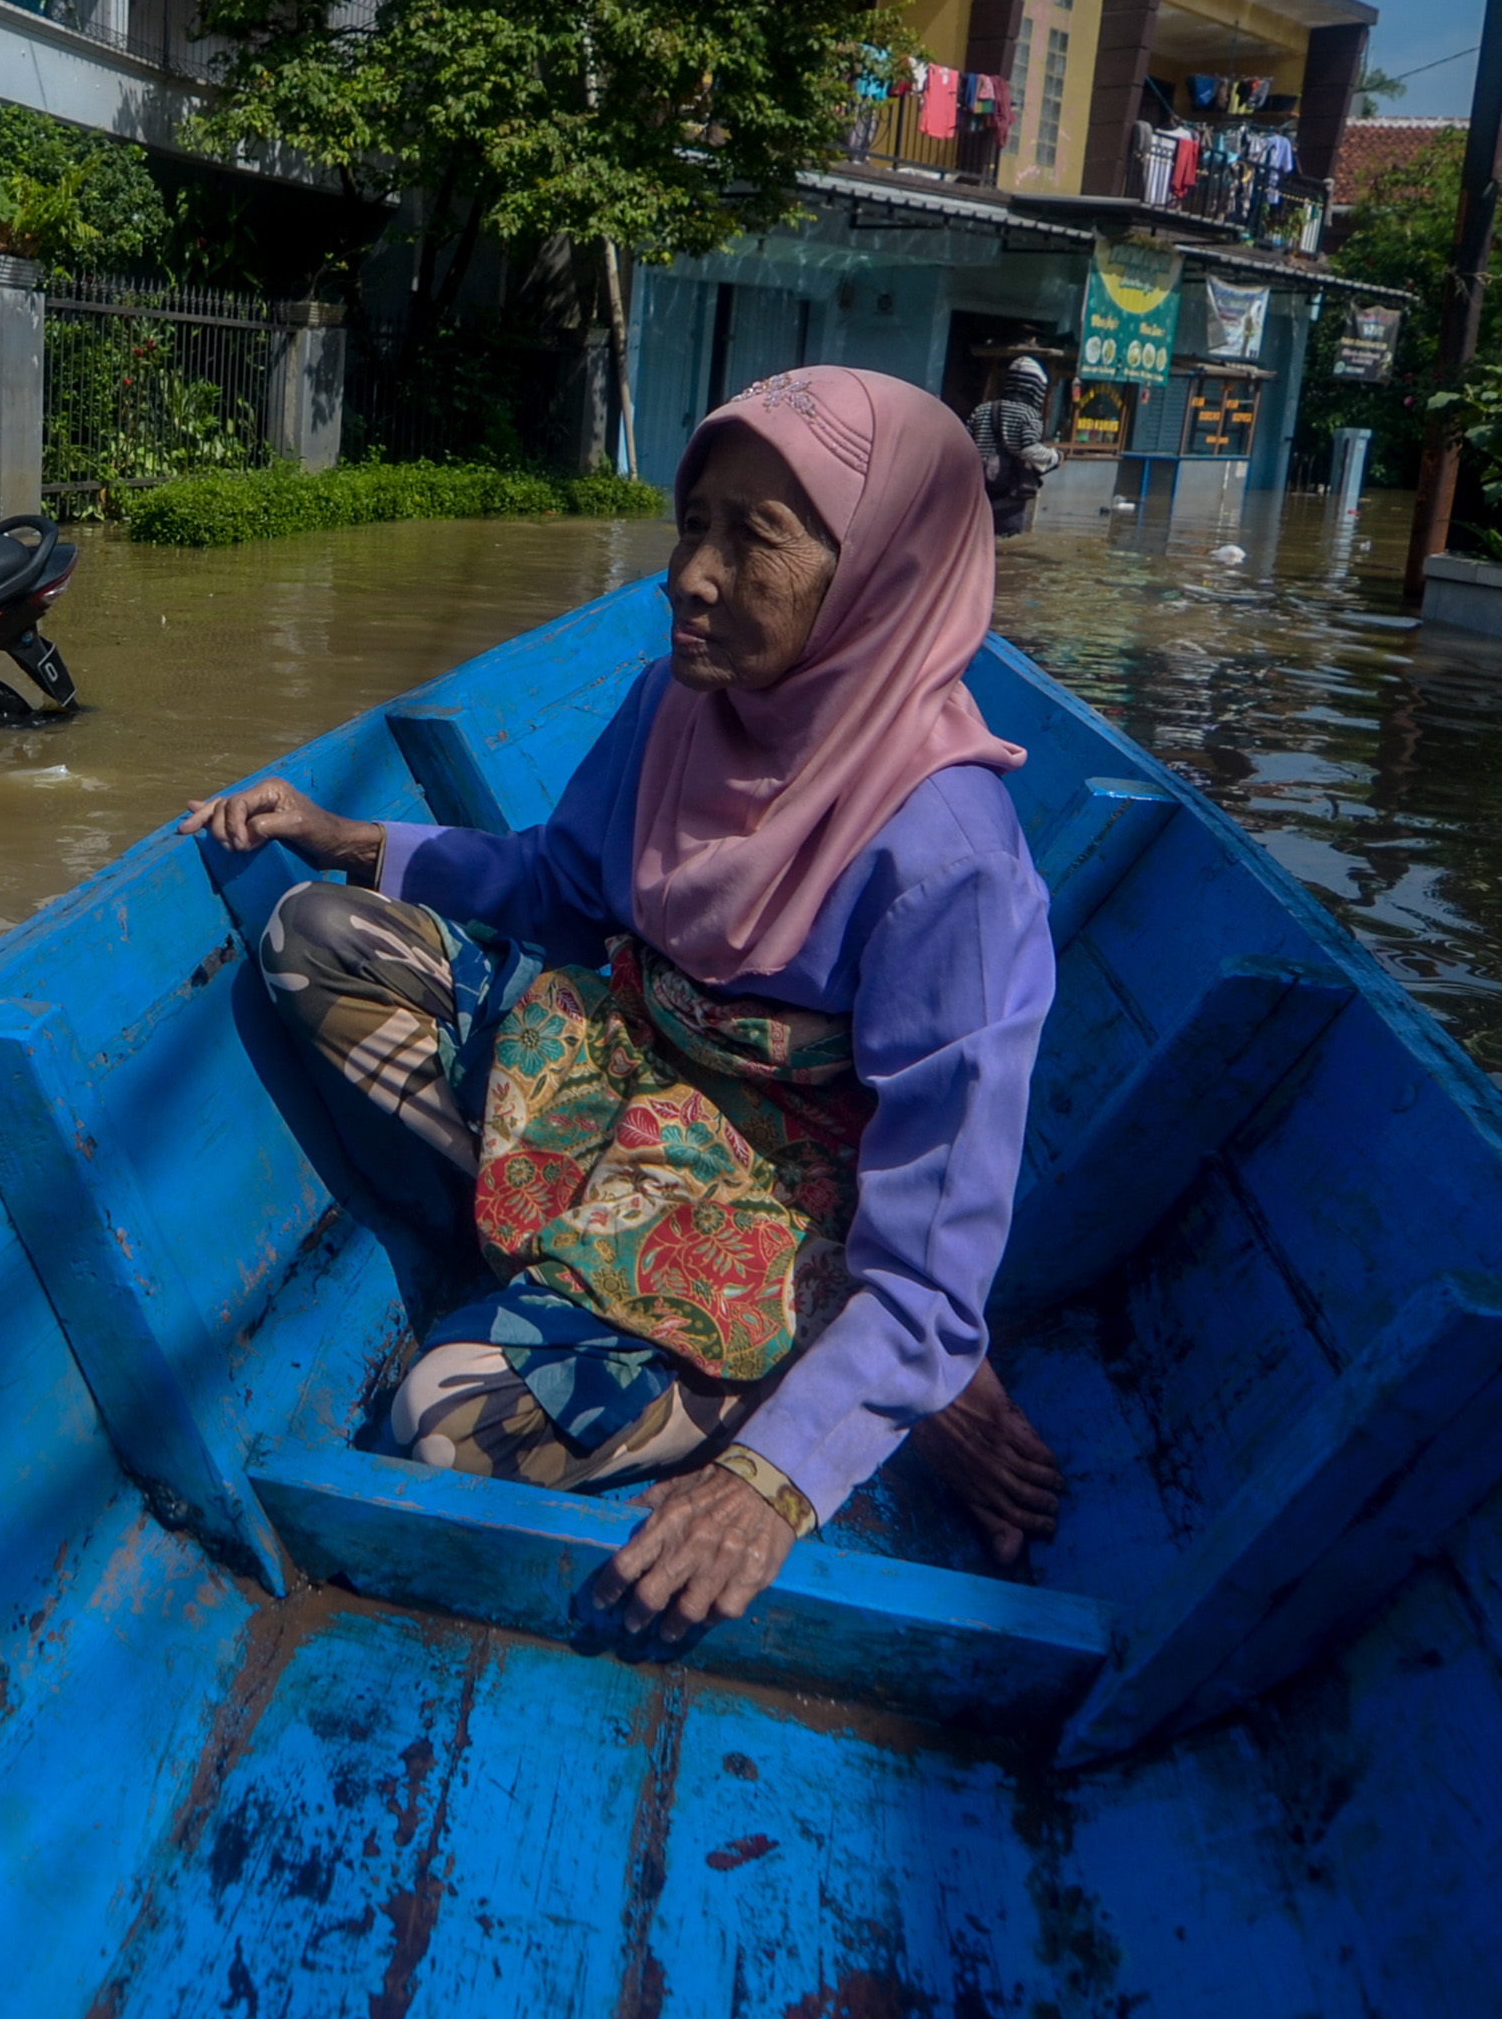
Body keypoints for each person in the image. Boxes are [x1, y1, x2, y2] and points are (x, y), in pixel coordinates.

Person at [179, 366, 1064, 1644]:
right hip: (628, 1069)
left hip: (784, 1207)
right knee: (313, 937)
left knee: (440, 1421)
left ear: (880, 572)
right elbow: (561, 885)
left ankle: (807, 1364)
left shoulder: (951, 865)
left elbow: (935, 1249)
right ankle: (576, 1268)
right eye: (692, 524)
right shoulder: (678, 704)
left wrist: (772, 1480)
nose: (689, 577)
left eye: (752, 536)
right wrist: (352, 838)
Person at [968, 354, 1063, 537]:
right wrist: (1056, 456)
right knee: (1003, 540)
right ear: (1035, 388)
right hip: (1008, 493)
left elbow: (965, 442)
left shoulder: (982, 409)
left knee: (976, 537)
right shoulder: (1029, 415)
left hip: (977, 487)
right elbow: (1030, 450)